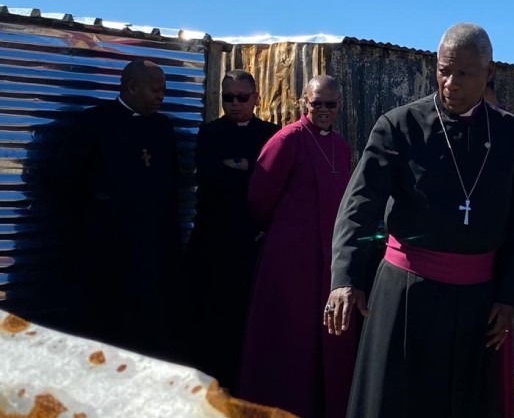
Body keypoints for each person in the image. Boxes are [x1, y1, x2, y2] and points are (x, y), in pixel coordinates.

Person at [326, 23, 514, 418]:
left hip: (478, 301)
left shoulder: (513, 136)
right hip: (406, 294)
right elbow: (360, 204)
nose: (450, 83)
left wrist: (509, 297)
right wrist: (345, 279)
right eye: (443, 70)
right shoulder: (398, 126)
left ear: (489, 73)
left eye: (464, 73)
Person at [239, 76, 354, 418]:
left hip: (328, 258)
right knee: (290, 338)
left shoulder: (342, 146)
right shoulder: (287, 139)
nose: (322, 110)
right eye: (316, 103)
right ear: (303, 102)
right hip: (291, 260)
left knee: (325, 339)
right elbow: (260, 198)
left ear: (340, 106)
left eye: (330, 104)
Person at [59, 58, 181, 358]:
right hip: (104, 252)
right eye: (155, 90)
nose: (161, 97)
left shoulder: (163, 128)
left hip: (150, 253)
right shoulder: (95, 122)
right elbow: (64, 180)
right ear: (131, 86)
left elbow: (171, 186)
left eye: (163, 90)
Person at [183, 69, 278, 389]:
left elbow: (273, 181)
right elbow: (211, 176)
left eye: (241, 97)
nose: (234, 104)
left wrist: (242, 166)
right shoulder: (210, 133)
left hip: (253, 242)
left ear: (256, 98)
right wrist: (250, 169)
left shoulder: (271, 134)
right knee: (213, 317)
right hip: (214, 240)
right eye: (228, 98)